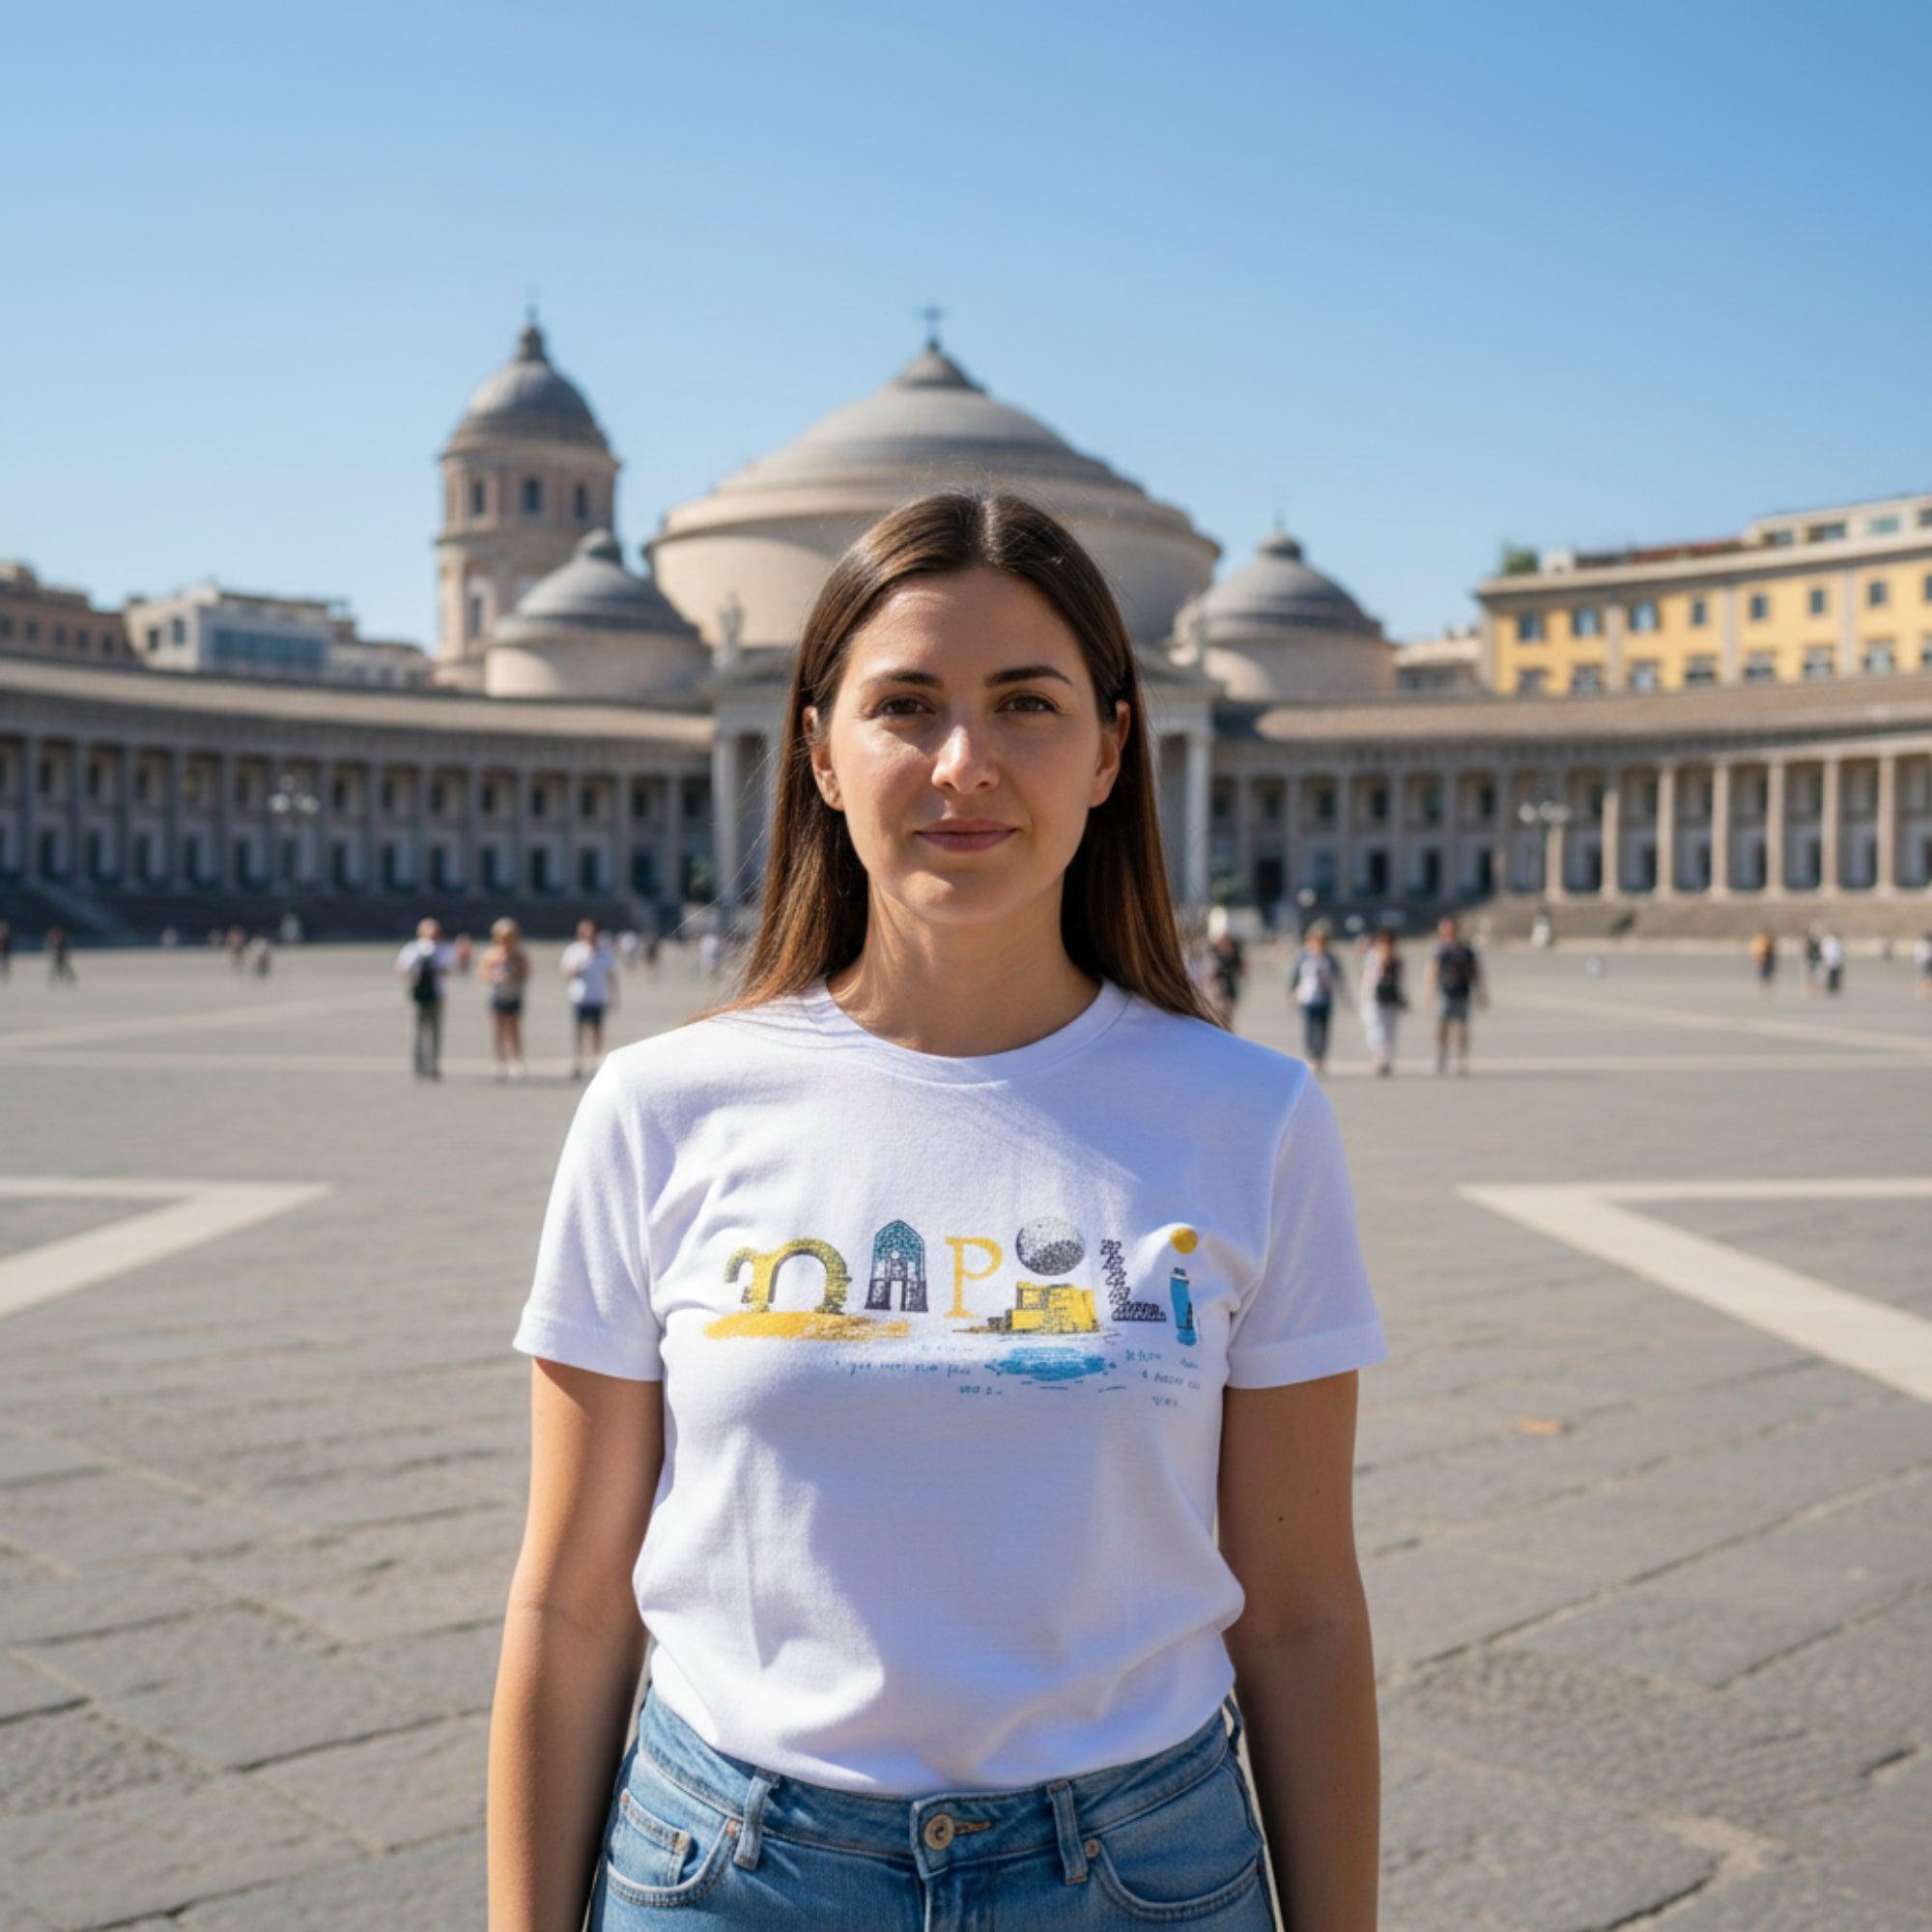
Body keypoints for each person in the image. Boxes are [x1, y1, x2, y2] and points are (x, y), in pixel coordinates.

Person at [491, 491, 1388, 1932]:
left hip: (1139, 1872)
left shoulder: (1254, 1118)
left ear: (1110, 750)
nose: (965, 763)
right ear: (822, 754)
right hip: (728, 1867)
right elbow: (572, 1603)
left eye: (1024, 704)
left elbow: (1301, 1612)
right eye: (906, 704)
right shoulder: (659, 1108)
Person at [395, 917, 455, 1080]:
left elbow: (449, 970)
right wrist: (419, 962)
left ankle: (434, 1065)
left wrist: (434, 963)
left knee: (435, 1032)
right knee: (417, 1032)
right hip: (418, 994)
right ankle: (418, 1066)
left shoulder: (443, 949)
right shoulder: (412, 949)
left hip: (436, 995)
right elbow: (402, 970)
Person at [561, 918, 618, 1079]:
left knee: (596, 1031)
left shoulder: (604, 952)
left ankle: (594, 1061)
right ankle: (579, 1061)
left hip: (597, 996)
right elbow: (567, 974)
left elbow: (611, 975)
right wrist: (579, 965)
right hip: (580, 997)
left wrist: (614, 995)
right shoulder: (574, 950)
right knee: (579, 1031)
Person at [1427, 915, 1483, 1075]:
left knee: (1462, 1027)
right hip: (1445, 991)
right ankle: (1442, 1054)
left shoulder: (1465, 949)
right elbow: (1433, 971)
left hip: (1462, 991)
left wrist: (1480, 991)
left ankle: (1461, 1058)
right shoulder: (1440, 949)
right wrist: (1430, 993)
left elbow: (1474, 971)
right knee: (1442, 1026)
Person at [481, 917, 532, 1082]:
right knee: (499, 1029)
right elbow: (483, 972)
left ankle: (516, 1060)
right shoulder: (492, 953)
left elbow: (526, 973)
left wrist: (514, 973)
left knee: (514, 1028)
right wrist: (495, 976)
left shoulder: (518, 954)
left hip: (513, 993)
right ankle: (499, 1060)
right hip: (498, 993)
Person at [1290, 921, 1344, 1076]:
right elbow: (1295, 976)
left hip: (1325, 998)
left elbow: (1339, 977)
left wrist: (1343, 995)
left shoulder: (1330, 958)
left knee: (1324, 1029)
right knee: (1310, 1028)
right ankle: (1312, 1056)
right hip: (1308, 998)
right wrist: (1292, 992)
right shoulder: (1303, 957)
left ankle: (1321, 1057)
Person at [1358, 928, 1406, 1076]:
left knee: (1390, 1030)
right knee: (1375, 1029)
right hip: (1374, 999)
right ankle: (1377, 1057)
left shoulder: (1397, 960)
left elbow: (1400, 981)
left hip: (1390, 998)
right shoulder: (1373, 958)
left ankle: (1386, 1059)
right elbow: (1367, 979)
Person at [1750, 927, 1777, 995]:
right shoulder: (1759, 939)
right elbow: (1756, 949)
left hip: (1769, 957)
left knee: (1768, 973)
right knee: (1763, 973)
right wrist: (1758, 957)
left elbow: (1774, 949)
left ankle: (1766, 988)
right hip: (1762, 956)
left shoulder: (1770, 939)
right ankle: (1763, 989)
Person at [1820, 928, 1845, 996]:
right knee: (1832, 974)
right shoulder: (1832, 942)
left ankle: (1833, 986)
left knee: (1833, 974)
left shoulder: (1831, 942)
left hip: (1833, 960)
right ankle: (1832, 987)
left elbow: (1838, 951)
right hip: (1832, 960)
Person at [1915, 930, 1932, 999]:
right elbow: (1918, 953)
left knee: (1927, 976)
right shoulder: (1921, 944)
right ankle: (1921, 990)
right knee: (1924, 975)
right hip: (1924, 961)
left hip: (1928, 961)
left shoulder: (1927, 943)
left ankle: (1925, 990)